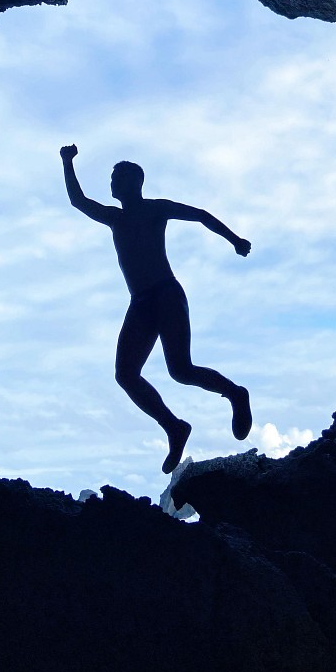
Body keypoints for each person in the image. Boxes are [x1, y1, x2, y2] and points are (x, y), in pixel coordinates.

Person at [60, 144, 252, 473]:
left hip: (165, 294)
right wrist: (67, 163)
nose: (112, 184)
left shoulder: (155, 209)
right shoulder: (114, 218)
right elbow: (78, 201)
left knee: (181, 370)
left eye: (117, 177)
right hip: (141, 303)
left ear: (135, 182)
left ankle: (235, 393)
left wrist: (234, 239)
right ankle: (175, 427)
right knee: (126, 374)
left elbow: (201, 215)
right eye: (111, 179)